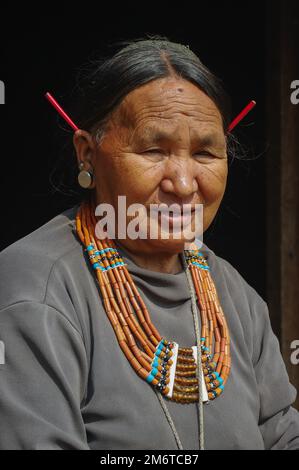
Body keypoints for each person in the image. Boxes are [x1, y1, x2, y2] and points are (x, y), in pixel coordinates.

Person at [0, 38, 298, 450]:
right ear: (87, 154)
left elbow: (281, 433)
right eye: (154, 150)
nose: (182, 183)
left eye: (206, 153)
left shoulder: (235, 297)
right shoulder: (38, 289)